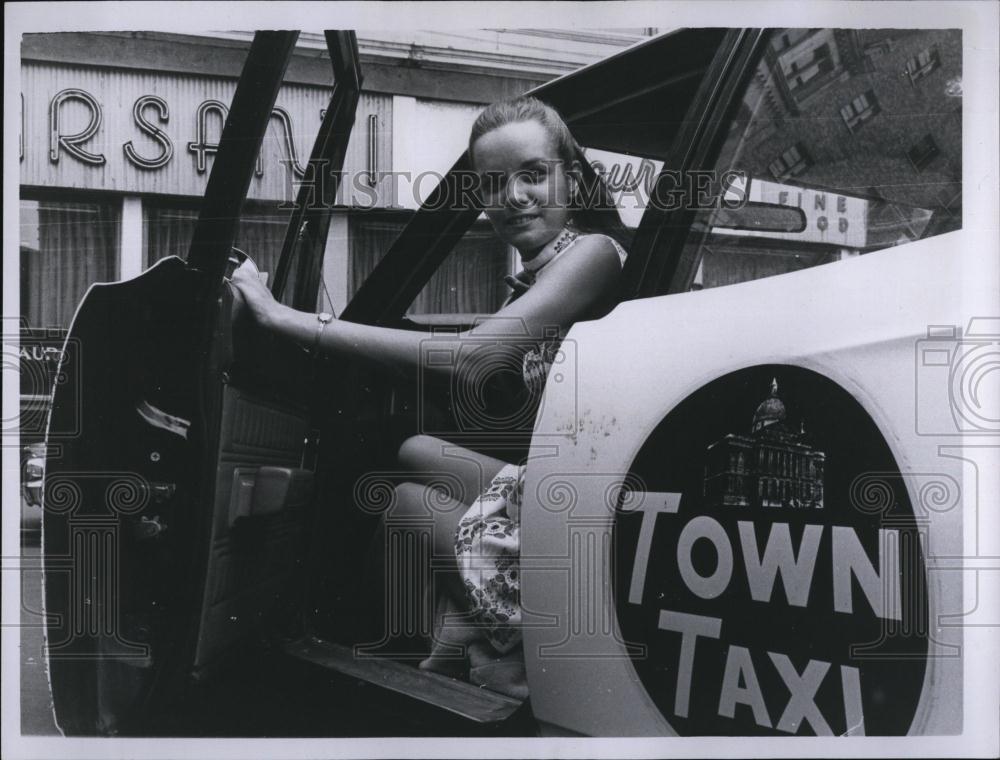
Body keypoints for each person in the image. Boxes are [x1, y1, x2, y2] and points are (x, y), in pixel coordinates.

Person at [231, 95, 629, 698]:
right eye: (494, 184)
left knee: (403, 505)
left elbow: (474, 359)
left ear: (570, 178)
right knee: (412, 448)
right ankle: (457, 639)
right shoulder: (548, 271)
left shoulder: (594, 253)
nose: (514, 197)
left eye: (532, 175)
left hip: (584, 516)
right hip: (560, 486)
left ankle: (403, 678)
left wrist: (283, 319)